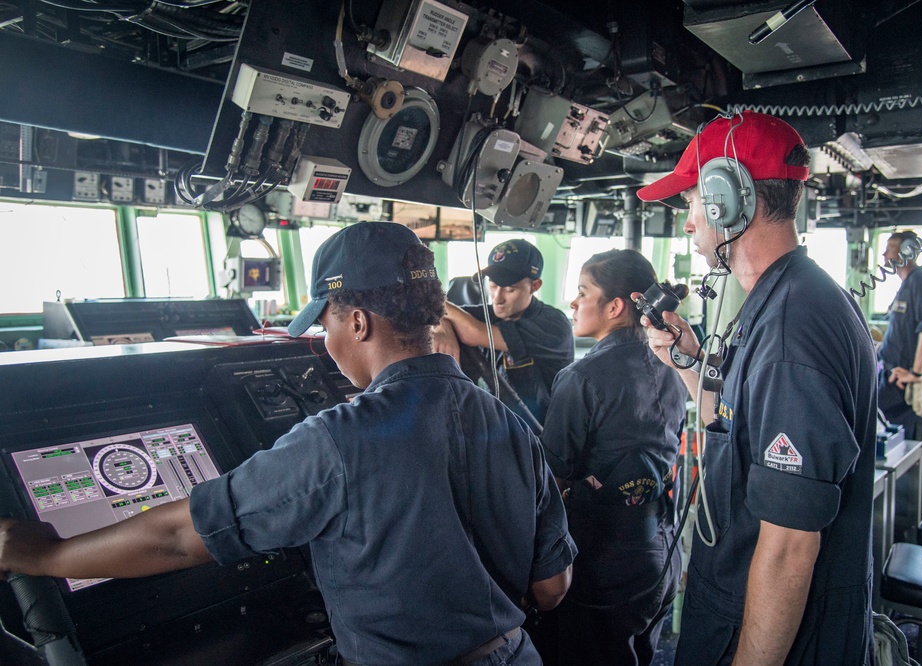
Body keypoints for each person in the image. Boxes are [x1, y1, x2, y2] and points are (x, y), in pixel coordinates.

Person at [0, 222, 577, 666]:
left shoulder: (338, 441)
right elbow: (552, 588)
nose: (326, 342)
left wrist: (44, 556)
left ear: (357, 322)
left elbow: (179, 536)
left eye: (324, 325)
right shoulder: (511, 424)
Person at [634, 111, 878, 665]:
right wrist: (685, 360)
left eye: (691, 200)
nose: (689, 221)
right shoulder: (783, 301)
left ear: (725, 199)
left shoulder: (793, 331)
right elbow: (737, 426)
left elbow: (790, 545)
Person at [538, 249, 687, 666]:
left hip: (602, 562)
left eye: (583, 292)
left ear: (615, 306)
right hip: (662, 550)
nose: (573, 302)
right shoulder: (673, 363)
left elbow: (552, 479)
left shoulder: (580, 377)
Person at [434, 239, 574, 424]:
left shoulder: (554, 325)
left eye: (510, 289)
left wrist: (440, 310)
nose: (497, 298)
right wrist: (442, 324)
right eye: (493, 285)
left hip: (545, 432)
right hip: (501, 425)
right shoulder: (487, 314)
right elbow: (432, 313)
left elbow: (473, 332)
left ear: (535, 286)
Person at [876, 230, 922, 438]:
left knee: (893, 442)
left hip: (902, 382)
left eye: (890, 248)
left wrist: (915, 374)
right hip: (891, 376)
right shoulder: (907, 284)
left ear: (907, 250)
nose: (884, 255)